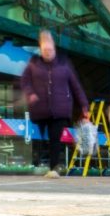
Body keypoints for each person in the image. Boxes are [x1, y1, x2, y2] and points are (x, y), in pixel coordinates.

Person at [21, 30, 89, 178]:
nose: (48, 53)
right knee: (43, 138)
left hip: (60, 109)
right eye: (45, 50)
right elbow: (25, 81)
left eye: (50, 50)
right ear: (40, 48)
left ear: (54, 48)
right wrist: (30, 93)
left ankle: (53, 168)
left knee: (55, 138)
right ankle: (42, 163)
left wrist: (84, 105)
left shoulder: (64, 64)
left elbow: (75, 85)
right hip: (40, 110)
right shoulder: (33, 63)